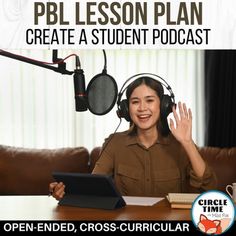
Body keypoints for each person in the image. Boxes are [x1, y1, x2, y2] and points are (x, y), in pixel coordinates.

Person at [49, 76, 217, 200]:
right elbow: (95, 188)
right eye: (135, 102)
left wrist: (187, 143)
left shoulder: (181, 144)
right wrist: (65, 191)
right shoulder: (114, 144)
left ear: (164, 105)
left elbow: (209, 188)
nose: (142, 108)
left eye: (149, 100)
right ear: (125, 109)